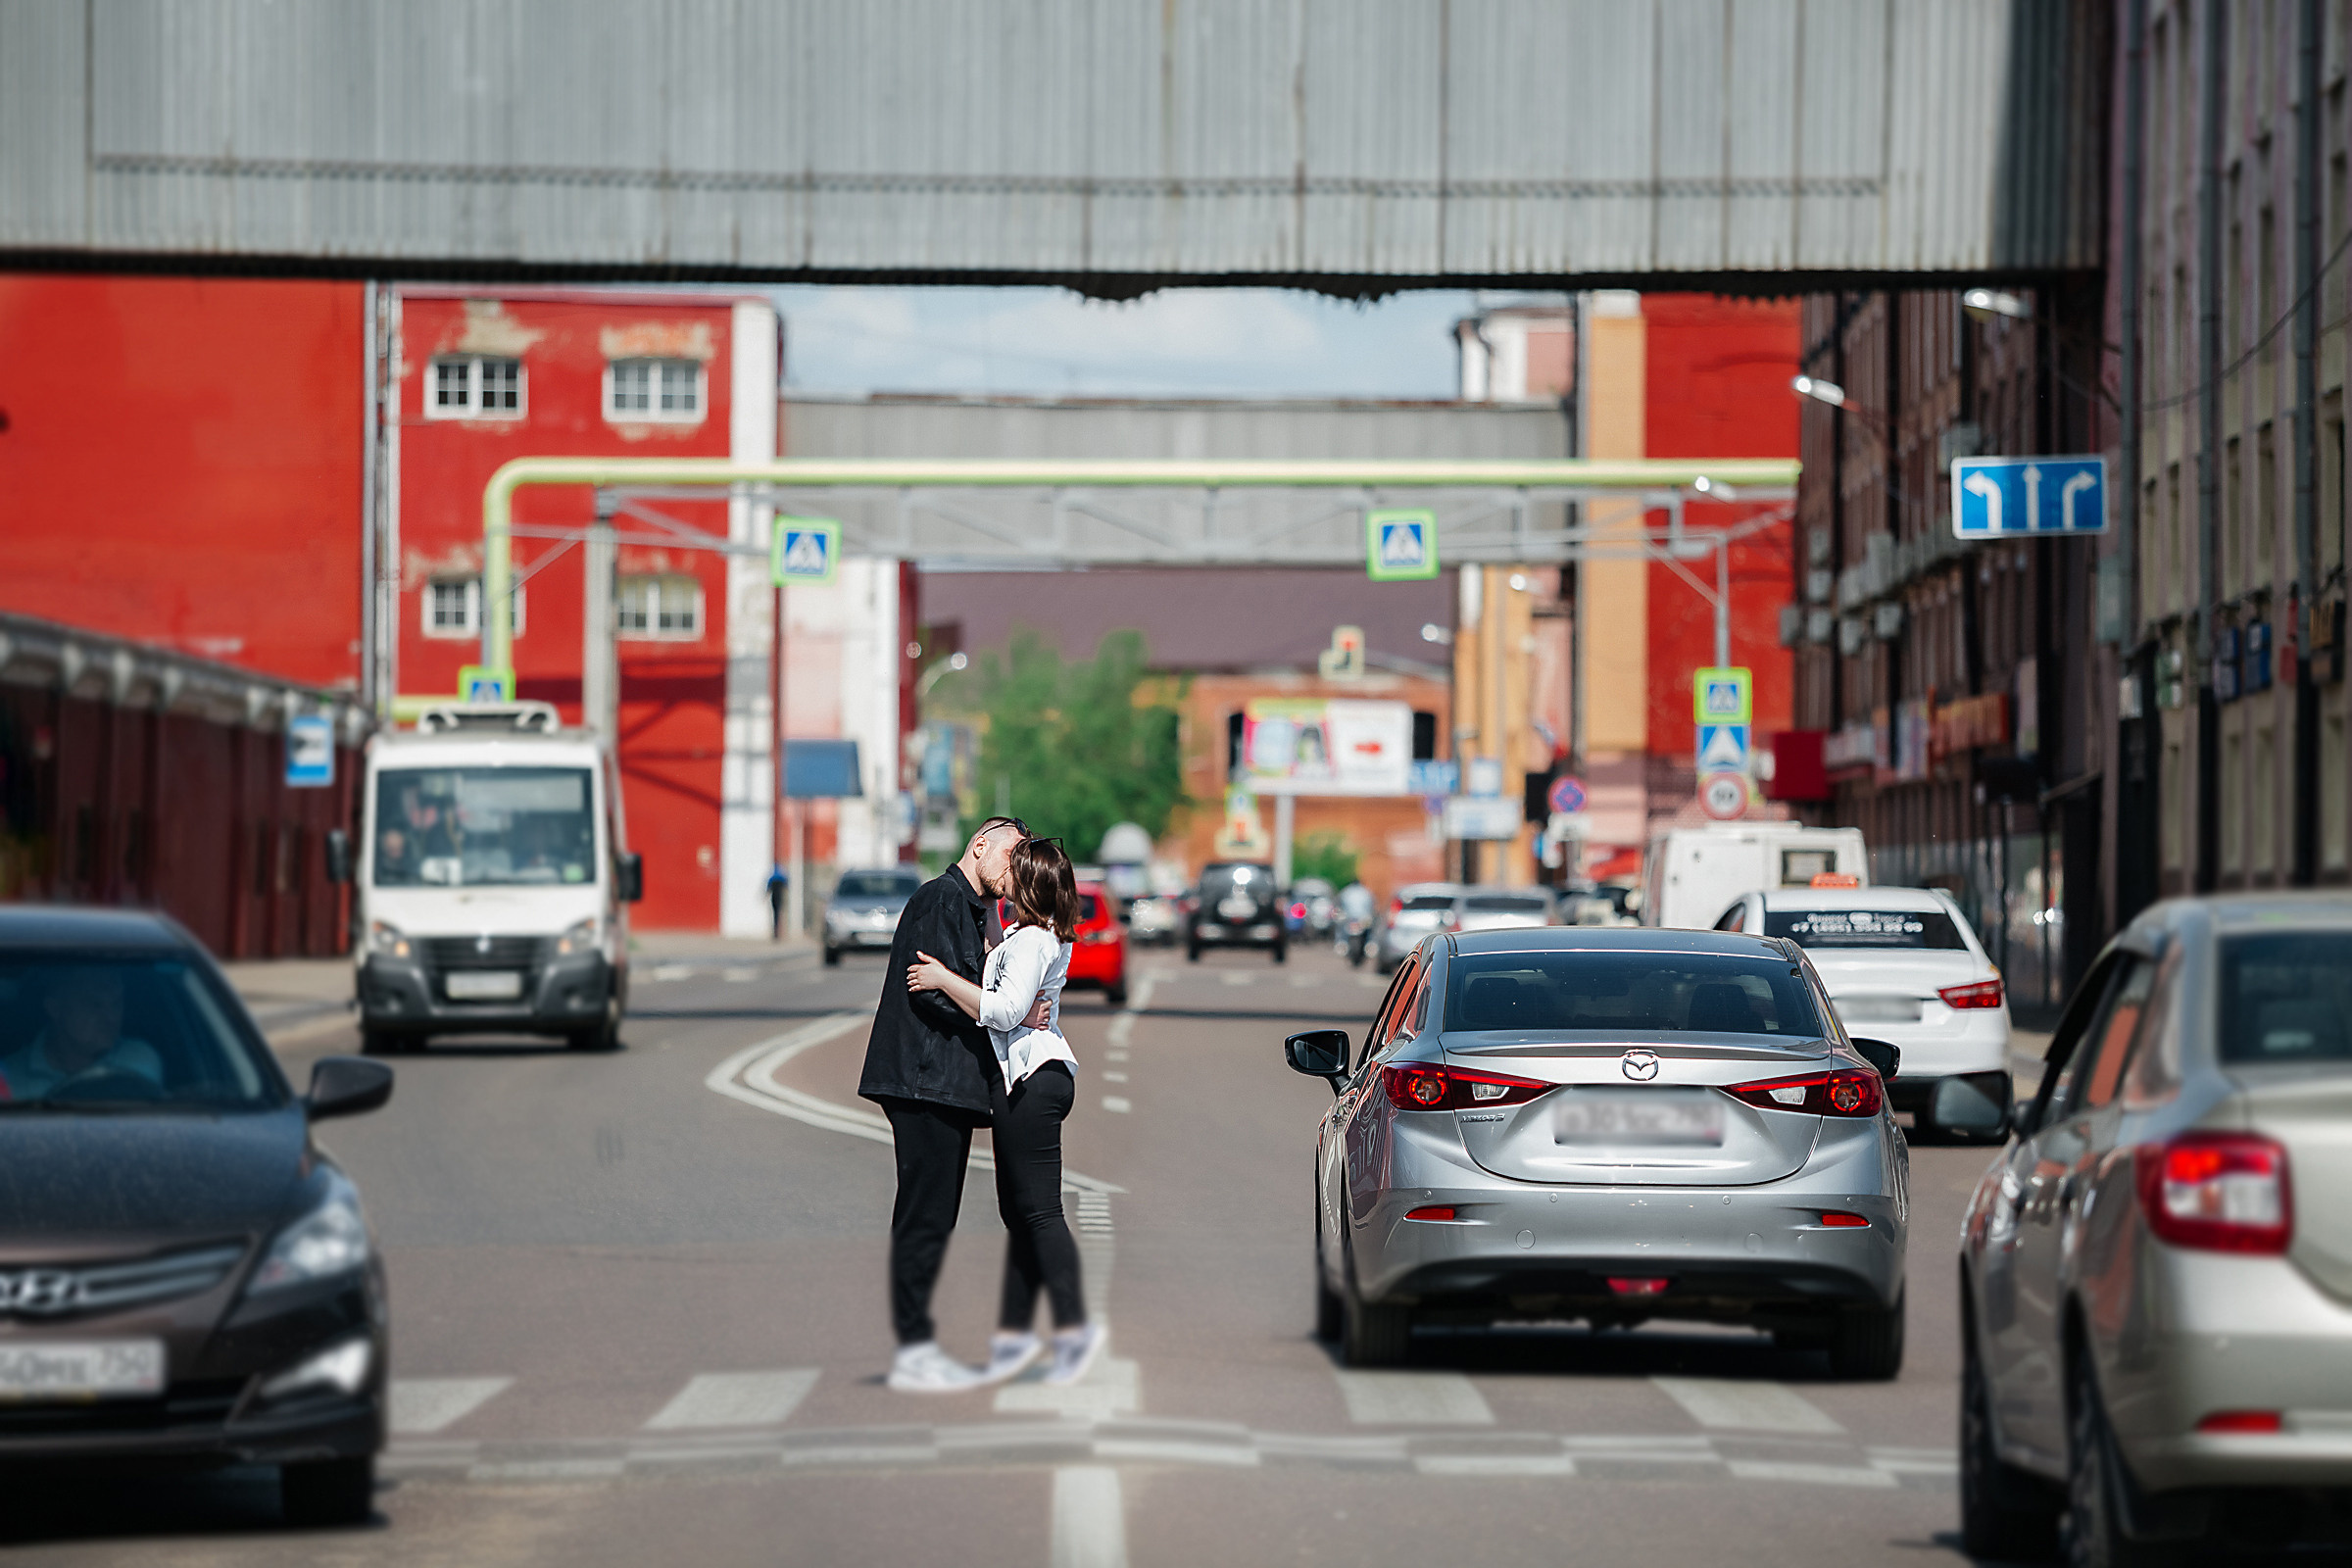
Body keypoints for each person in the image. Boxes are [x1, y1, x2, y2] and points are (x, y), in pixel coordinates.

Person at [907, 836, 1102, 1389]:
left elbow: (1004, 1009)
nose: (1003, 878)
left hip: (1032, 1081)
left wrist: (943, 978)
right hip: (1030, 1078)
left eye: (1014, 871)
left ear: (1031, 885)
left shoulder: (1032, 941)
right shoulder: (1029, 937)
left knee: (1039, 1214)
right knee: (1021, 1215)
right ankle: (1014, 1339)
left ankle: (1072, 1331)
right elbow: (1016, 998)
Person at [858, 815, 1026, 1393]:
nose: (1014, 870)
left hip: (938, 1083)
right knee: (925, 1216)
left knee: (933, 1215)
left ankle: (917, 1343)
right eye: (1009, 855)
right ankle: (913, 1348)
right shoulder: (941, 898)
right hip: (923, 1080)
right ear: (979, 845)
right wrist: (997, 1009)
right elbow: (928, 992)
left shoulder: (974, 908)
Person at [0, 966, 165, 1101]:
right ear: (55, 1008)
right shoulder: (9, 1078)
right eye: (94, 1005)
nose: (111, 1018)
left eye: (116, 1003)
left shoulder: (139, 1061)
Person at [766, 863, 789, 941]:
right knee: (779, 914)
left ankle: (776, 932)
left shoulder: (772, 878)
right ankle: (780, 932)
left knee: (775, 915)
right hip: (780, 898)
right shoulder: (782, 878)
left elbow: (768, 889)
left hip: (774, 899)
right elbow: (787, 885)